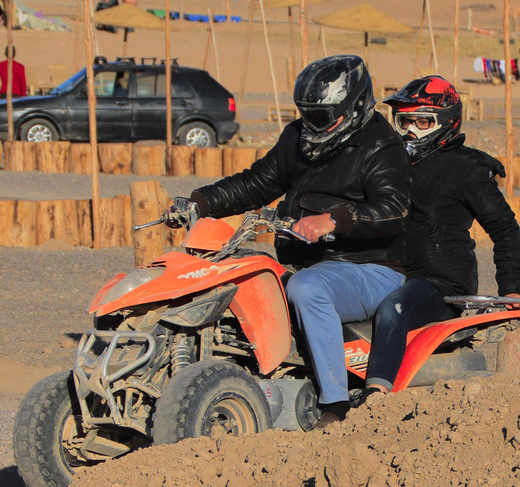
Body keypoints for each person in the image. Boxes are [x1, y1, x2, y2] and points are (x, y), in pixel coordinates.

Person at [172, 55, 411, 426]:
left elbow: (393, 209)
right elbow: (257, 183)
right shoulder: (297, 139)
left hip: (371, 269)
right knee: (238, 281)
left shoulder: (382, 147)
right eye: (307, 115)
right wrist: (202, 201)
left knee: (306, 289)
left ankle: (335, 405)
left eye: (322, 117)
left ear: (355, 107)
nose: (313, 125)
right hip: (309, 264)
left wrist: (334, 220)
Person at [364, 75, 520, 396]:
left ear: (446, 122)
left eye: (422, 121)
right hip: (389, 271)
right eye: (404, 121)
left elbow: (505, 227)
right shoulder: (390, 164)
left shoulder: (467, 169)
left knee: (392, 310)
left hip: (441, 281)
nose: (410, 130)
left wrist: (512, 289)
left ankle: (375, 399)